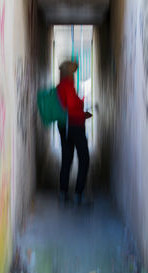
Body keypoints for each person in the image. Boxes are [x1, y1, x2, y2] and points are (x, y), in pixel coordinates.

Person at [57, 61, 92, 205]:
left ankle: (63, 193)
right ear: (68, 72)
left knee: (67, 159)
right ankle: (78, 194)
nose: (74, 73)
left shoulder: (60, 86)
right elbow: (71, 106)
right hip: (75, 126)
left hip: (63, 126)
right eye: (73, 71)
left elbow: (66, 105)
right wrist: (83, 114)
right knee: (84, 158)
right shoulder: (68, 85)